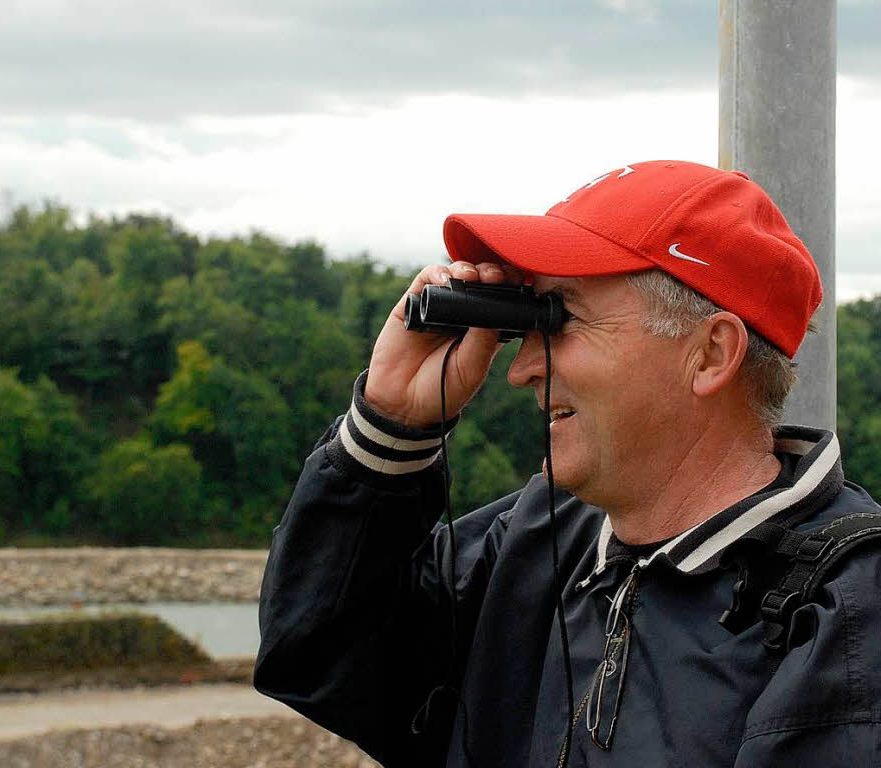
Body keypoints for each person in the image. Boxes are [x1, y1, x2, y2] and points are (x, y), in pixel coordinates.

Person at [254, 160, 881, 767]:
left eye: (559, 318)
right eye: (525, 323)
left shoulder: (844, 612)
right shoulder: (541, 539)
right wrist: (392, 426)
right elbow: (316, 655)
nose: (522, 369)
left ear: (711, 354)